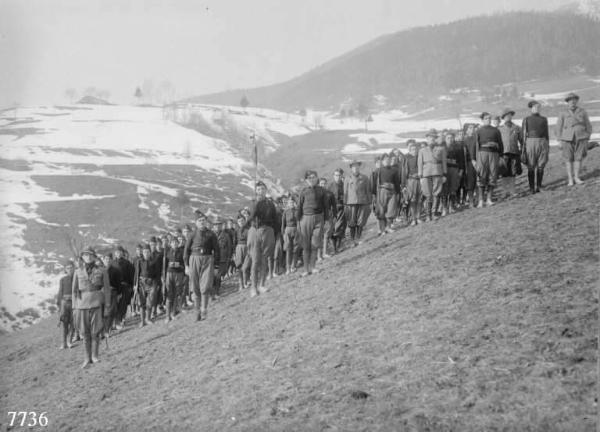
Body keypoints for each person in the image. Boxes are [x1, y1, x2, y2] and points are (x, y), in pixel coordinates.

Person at [72, 247, 111, 369]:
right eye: (85, 255)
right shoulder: (77, 272)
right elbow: (74, 291)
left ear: (94, 256)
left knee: (96, 332)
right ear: (82, 257)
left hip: (96, 303)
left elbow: (107, 289)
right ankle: (87, 358)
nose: (88, 257)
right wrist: (74, 307)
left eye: (90, 255)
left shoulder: (102, 270)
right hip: (82, 305)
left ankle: (95, 356)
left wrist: (107, 306)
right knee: (85, 333)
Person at [184, 213, 220, 320]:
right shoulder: (192, 234)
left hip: (207, 260)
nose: (202, 222)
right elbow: (186, 251)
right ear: (196, 222)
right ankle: (197, 312)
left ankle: (204, 310)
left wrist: (216, 266)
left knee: (205, 287)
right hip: (194, 259)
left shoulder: (211, 234)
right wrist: (186, 265)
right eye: (199, 220)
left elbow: (217, 250)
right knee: (195, 287)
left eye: (203, 220)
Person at [245, 181, 278, 297]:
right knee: (255, 261)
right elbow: (251, 216)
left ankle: (262, 284)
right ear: (256, 191)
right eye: (258, 189)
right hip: (255, 230)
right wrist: (256, 205)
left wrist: (275, 233)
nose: (261, 191)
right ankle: (253, 288)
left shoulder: (270, 204)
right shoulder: (253, 203)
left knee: (264, 259)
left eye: (263, 189)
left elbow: (275, 219)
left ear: (266, 190)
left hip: (267, 230)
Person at [555, 92, 593, 186]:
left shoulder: (582, 111)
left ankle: (576, 177)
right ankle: (570, 179)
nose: (572, 102)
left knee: (579, 158)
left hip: (581, 138)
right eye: (570, 100)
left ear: (577, 101)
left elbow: (588, 124)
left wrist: (587, 136)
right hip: (567, 139)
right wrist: (559, 140)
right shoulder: (562, 113)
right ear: (567, 102)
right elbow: (558, 127)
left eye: (574, 100)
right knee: (568, 159)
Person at [297, 170, 328, 276]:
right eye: (309, 177)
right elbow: (299, 207)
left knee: (315, 244)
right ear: (306, 180)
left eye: (313, 177)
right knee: (306, 246)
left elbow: (326, 207)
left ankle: (313, 267)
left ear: (317, 178)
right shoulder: (303, 191)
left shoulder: (322, 191)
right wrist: (298, 222)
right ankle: (306, 269)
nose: (312, 179)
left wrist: (327, 220)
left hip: (319, 219)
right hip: (305, 219)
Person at [474, 112, 503, 207]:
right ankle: (481, 200)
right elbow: (475, 146)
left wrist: (501, 155)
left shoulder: (496, 131)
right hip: (482, 154)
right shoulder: (479, 131)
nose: (488, 120)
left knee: (493, 175)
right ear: (482, 120)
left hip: (494, 154)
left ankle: (489, 199)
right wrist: (475, 158)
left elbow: (500, 143)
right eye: (486, 118)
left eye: (489, 118)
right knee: (482, 176)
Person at [418, 129, 447, 221]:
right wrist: (420, 176)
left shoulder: (441, 149)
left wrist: (444, 174)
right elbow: (420, 163)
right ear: (427, 139)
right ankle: (428, 215)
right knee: (428, 194)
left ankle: (434, 213)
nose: (432, 139)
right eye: (430, 138)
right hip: (426, 174)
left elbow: (444, 162)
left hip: (437, 172)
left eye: (434, 138)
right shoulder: (422, 150)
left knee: (436, 193)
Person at [521, 101, 549, 193]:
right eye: (535, 107)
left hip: (542, 142)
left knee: (541, 165)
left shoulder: (544, 119)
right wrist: (523, 148)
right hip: (530, 142)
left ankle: (539, 186)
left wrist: (547, 145)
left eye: (538, 107)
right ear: (531, 108)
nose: (537, 108)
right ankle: (531, 188)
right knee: (531, 166)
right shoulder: (527, 119)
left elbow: (546, 133)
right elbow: (523, 134)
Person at [344, 160, 372, 246]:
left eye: (357, 166)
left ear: (359, 167)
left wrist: (369, 202)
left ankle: (358, 238)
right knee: (352, 221)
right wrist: (345, 203)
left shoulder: (365, 178)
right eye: (353, 167)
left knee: (361, 221)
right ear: (351, 168)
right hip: (351, 202)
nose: (355, 168)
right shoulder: (347, 178)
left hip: (362, 201)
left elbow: (368, 190)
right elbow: (345, 191)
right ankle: (352, 240)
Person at [134, 244, 161, 327]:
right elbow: (136, 273)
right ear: (142, 252)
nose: (146, 253)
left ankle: (148, 318)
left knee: (150, 301)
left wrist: (157, 284)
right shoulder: (139, 261)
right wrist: (135, 284)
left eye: (148, 252)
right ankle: (142, 321)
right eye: (145, 252)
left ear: (150, 252)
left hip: (151, 283)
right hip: (141, 283)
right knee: (142, 302)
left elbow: (158, 274)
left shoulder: (155, 261)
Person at [498, 108, 523, 198]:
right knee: (504, 174)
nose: (508, 117)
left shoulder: (517, 128)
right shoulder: (499, 129)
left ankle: (512, 191)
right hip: (503, 154)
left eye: (510, 115)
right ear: (503, 117)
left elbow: (522, 141)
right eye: (506, 115)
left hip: (514, 153)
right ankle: (504, 192)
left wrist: (521, 151)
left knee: (513, 173)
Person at [373, 153, 401, 234]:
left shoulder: (394, 170)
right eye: (385, 160)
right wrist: (374, 195)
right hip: (382, 191)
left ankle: (388, 227)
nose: (387, 161)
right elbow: (374, 184)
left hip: (392, 192)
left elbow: (397, 183)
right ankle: (382, 229)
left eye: (388, 159)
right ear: (382, 161)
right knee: (381, 211)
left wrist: (398, 192)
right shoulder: (378, 171)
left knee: (391, 210)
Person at [98, 251, 122, 336]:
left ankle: (107, 330)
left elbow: (118, 283)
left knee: (110, 312)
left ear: (111, 260)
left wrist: (119, 293)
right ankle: (102, 330)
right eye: (106, 259)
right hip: (102, 293)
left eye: (109, 259)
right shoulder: (99, 270)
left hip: (113, 292)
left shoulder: (116, 270)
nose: (107, 260)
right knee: (101, 312)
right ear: (103, 259)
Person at [164, 236, 185, 322]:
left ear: (178, 243)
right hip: (169, 274)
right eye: (173, 243)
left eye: (176, 242)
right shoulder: (167, 252)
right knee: (169, 294)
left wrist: (179, 266)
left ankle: (173, 312)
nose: (174, 244)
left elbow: (184, 265)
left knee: (177, 293)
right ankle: (167, 315)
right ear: (170, 244)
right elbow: (164, 265)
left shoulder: (182, 252)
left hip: (178, 274)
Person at [401, 140, 422, 225]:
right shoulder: (406, 158)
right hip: (411, 180)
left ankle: (419, 217)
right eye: (412, 149)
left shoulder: (420, 156)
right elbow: (404, 171)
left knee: (420, 199)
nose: (414, 150)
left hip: (420, 179)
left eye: (415, 149)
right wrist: (403, 185)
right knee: (412, 199)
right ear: (409, 149)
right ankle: (413, 218)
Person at [113, 245, 134, 329]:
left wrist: (131, 286)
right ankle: (116, 321)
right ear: (115, 253)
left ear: (122, 253)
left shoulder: (127, 263)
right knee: (115, 305)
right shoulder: (112, 263)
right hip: (115, 287)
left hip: (125, 286)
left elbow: (131, 275)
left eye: (120, 252)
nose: (118, 253)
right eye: (117, 252)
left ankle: (121, 319)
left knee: (123, 304)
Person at [57, 260, 75, 349]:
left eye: (71, 267)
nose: (70, 269)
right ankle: (63, 343)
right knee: (64, 323)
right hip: (64, 303)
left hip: (74, 303)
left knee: (73, 323)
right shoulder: (62, 279)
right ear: (65, 269)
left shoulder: (77, 278)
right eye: (68, 268)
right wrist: (59, 305)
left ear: (74, 268)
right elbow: (60, 292)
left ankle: (69, 341)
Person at [212, 217, 232, 300]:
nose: (217, 226)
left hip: (222, 260)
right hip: (212, 260)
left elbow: (229, 248)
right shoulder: (211, 235)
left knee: (218, 276)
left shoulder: (226, 236)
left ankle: (216, 292)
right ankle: (214, 291)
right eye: (215, 225)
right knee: (213, 277)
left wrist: (228, 259)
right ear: (213, 226)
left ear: (221, 226)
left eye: (219, 225)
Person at [327, 168, 347, 253]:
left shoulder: (345, 185)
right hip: (333, 209)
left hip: (343, 208)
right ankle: (334, 247)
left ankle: (339, 245)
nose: (337, 177)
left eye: (339, 175)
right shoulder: (330, 186)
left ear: (342, 176)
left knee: (341, 227)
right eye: (336, 175)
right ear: (333, 176)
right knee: (333, 228)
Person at [445, 132, 464, 213]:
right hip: (445, 170)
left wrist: (461, 171)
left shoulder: (458, 148)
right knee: (445, 189)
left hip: (454, 169)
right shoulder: (442, 148)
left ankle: (451, 206)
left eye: (451, 138)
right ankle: (444, 208)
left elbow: (461, 161)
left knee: (453, 188)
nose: (450, 139)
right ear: (445, 139)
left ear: (453, 138)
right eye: (448, 138)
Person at [318, 177, 337, 259]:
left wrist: (335, 216)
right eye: (321, 183)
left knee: (327, 233)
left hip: (328, 214)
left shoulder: (330, 194)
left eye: (324, 183)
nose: (323, 185)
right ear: (319, 184)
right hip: (318, 215)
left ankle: (325, 252)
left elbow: (334, 206)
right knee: (318, 234)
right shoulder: (316, 194)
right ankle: (318, 256)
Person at [281, 196, 299, 274]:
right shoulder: (285, 212)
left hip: (296, 230)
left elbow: (299, 221)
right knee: (288, 249)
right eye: (290, 202)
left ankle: (293, 265)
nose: (291, 203)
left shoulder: (297, 211)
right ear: (288, 204)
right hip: (287, 230)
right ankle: (288, 268)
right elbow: (283, 224)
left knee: (296, 248)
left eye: (293, 202)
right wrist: (283, 233)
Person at [234, 214, 250, 290]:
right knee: (239, 266)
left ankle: (246, 281)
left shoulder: (248, 229)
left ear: (245, 221)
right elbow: (234, 242)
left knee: (246, 266)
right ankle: (241, 284)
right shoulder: (236, 230)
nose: (241, 222)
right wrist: (233, 253)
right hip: (238, 248)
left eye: (242, 221)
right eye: (239, 221)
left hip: (247, 248)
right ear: (237, 222)